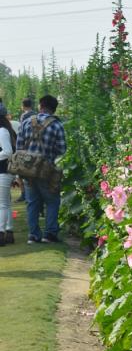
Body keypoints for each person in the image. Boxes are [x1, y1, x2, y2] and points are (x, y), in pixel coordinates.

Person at [16, 95, 66, 244]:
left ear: (40, 106)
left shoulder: (25, 122)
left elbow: (19, 148)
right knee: (52, 201)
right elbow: (62, 149)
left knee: (32, 202)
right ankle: (49, 234)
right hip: (47, 170)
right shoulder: (57, 125)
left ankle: (33, 235)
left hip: (28, 169)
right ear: (54, 108)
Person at [0, 102, 17, 246]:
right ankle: (9, 232)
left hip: (3, 171)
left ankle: (1, 234)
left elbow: (7, 152)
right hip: (4, 171)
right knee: (5, 204)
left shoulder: (2, 131)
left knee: (2, 204)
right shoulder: (5, 130)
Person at [14, 98, 32, 202]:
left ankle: (24, 194)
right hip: (35, 146)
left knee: (21, 172)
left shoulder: (24, 116)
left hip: (25, 146)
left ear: (23, 106)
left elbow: (21, 132)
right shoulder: (36, 114)